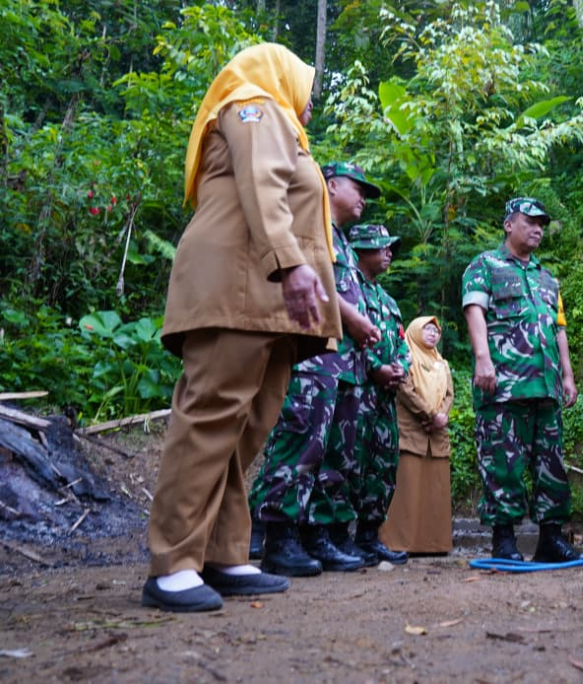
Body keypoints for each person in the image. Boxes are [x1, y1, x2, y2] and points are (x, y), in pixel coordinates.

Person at [143, 43, 343, 612]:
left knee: (242, 431)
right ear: (280, 78)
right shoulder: (254, 106)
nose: (308, 109)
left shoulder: (276, 120)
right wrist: (293, 262)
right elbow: (262, 182)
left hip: (269, 298)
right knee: (210, 419)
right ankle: (172, 562)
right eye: (307, 93)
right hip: (237, 284)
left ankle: (222, 552)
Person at [248, 161, 383, 577]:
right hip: (310, 353)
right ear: (330, 184)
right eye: (357, 187)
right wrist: (354, 320)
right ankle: (277, 536)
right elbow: (313, 285)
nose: (363, 197)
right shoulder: (308, 221)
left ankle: (314, 534)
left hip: (341, 361)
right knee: (298, 439)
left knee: (329, 451)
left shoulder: (341, 240)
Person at [462, 197, 583, 563]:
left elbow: (559, 329)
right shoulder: (485, 265)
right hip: (503, 384)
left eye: (541, 224)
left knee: (552, 465)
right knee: (503, 464)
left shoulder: (548, 279)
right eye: (529, 221)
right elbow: (474, 310)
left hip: (545, 387)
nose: (537, 228)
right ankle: (504, 542)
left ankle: (550, 539)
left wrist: (567, 374)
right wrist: (483, 359)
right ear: (508, 224)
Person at [350, 224, 411, 565]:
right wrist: (375, 367)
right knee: (349, 463)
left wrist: (400, 367)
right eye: (382, 247)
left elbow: (402, 343)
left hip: (385, 398)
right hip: (356, 391)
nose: (389, 253)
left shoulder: (387, 300)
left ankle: (369, 536)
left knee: (383, 466)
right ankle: (335, 537)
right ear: (360, 249)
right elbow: (346, 335)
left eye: (391, 248)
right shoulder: (349, 290)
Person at [379, 316, 455, 554]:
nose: (433, 334)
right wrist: (430, 415)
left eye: (436, 331)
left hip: (437, 436)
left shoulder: (442, 363)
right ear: (413, 332)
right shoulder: (406, 359)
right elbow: (405, 389)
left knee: (436, 490)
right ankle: (399, 543)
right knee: (408, 490)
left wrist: (441, 416)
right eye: (427, 329)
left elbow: (449, 394)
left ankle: (435, 543)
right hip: (412, 433)